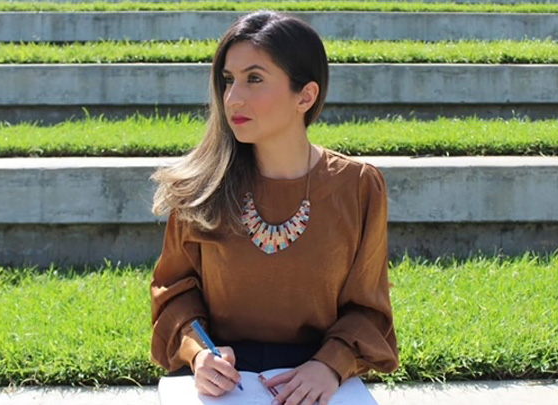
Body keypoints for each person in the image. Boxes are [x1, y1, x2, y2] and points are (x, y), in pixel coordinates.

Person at [150, 10, 398, 405]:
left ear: (306, 95)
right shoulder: (200, 184)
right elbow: (175, 293)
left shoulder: (357, 186)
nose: (233, 97)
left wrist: (330, 365)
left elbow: (368, 309)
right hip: (225, 385)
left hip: (318, 383)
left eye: (255, 78)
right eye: (228, 80)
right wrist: (200, 355)